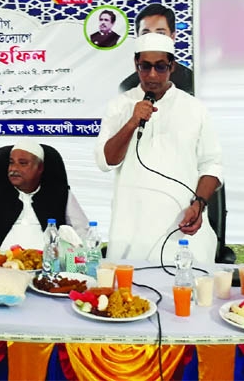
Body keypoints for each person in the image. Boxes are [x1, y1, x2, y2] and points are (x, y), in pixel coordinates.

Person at [95, 33, 223, 264]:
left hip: (181, 227)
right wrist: (132, 122)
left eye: (160, 66)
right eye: (145, 66)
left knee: (186, 294)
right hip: (132, 230)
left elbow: (212, 164)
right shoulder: (119, 105)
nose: (152, 74)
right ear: (136, 65)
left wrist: (200, 204)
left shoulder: (195, 109)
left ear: (172, 66)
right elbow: (106, 161)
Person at [0, 139, 89, 250]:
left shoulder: (61, 194)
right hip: (2, 268)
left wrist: (63, 254)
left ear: (39, 168)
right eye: (11, 162)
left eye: (22, 163)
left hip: (48, 268)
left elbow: (83, 233)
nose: (13, 169)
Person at [118, 3, 194, 95]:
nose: (152, 38)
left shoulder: (191, 82)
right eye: (146, 34)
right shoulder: (126, 87)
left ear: (172, 37)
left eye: (160, 33)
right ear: (137, 38)